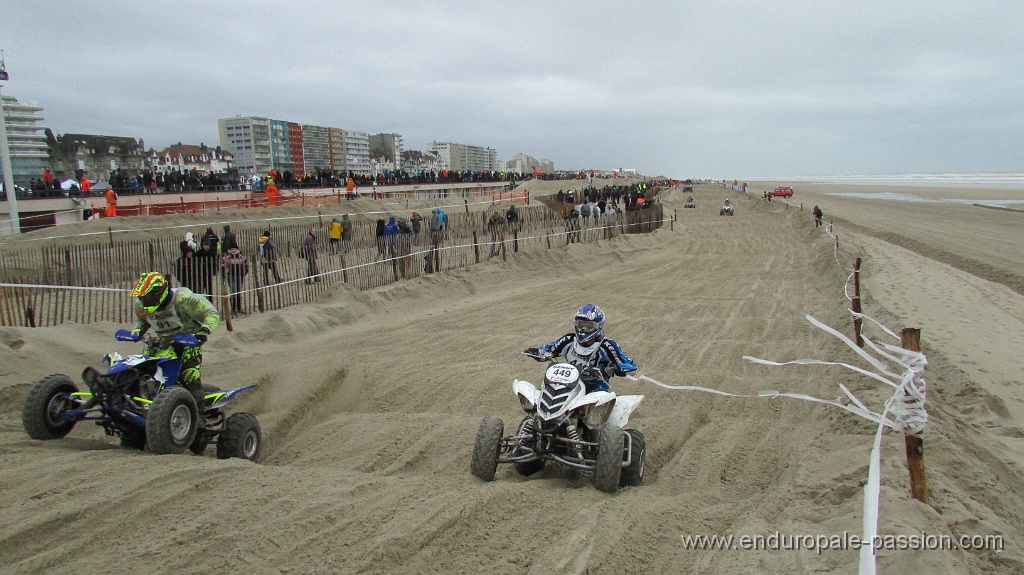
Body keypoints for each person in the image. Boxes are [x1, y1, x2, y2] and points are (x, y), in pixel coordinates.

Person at [128, 271, 220, 423]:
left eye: (147, 297)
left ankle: (199, 418)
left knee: (189, 376)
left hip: (188, 342)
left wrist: (203, 331)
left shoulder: (183, 299)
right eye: (142, 297)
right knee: (141, 371)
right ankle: (138, 408)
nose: (143, 300)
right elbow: (142, 321)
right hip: (160, 343)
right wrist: (137, 331)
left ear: (159, 292)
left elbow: (211, 313)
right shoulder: (141, 304)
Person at [524, 304, 636, 393]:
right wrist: (537, 351)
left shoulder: (607, 345)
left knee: (596, 414)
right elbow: (550, 349)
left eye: (589, 326)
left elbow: (631, 366)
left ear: (598, 326)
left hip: (596, 386)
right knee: (543, 395)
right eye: (581, 324)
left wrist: (614, 369)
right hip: (569, 382)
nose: (583, 329)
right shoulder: (568, 340)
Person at [220, 245, 249, 314]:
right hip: (231, 276)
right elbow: (223, 266)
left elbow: (246, 265)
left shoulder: (241, 257)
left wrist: (244, 273)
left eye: (235, 249)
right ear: (230, 249)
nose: (234, 250)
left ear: (237, 249)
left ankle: (239, 308)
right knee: (233, 291)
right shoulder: (227, 257)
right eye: (232, 249)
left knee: (239, 291)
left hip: (240, 276)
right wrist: (224, 275)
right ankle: (233, 308)